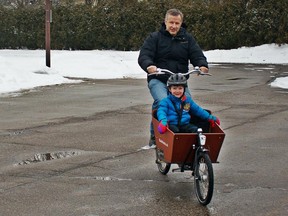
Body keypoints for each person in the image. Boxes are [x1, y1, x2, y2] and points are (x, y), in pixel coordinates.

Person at [138, 8, 209, 147]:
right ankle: (155, 136)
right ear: (165, 22)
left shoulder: (187, 39)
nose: (174, 26)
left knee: (187, 104)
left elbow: (197, 54)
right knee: (162, 101)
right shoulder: (155, 38)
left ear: (181, 23)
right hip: (158, 78)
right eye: (171, 22)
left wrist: (202, 65)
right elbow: (144, 55)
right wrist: (149, 66)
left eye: (177, 23)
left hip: (179, 81)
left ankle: (184, 134)